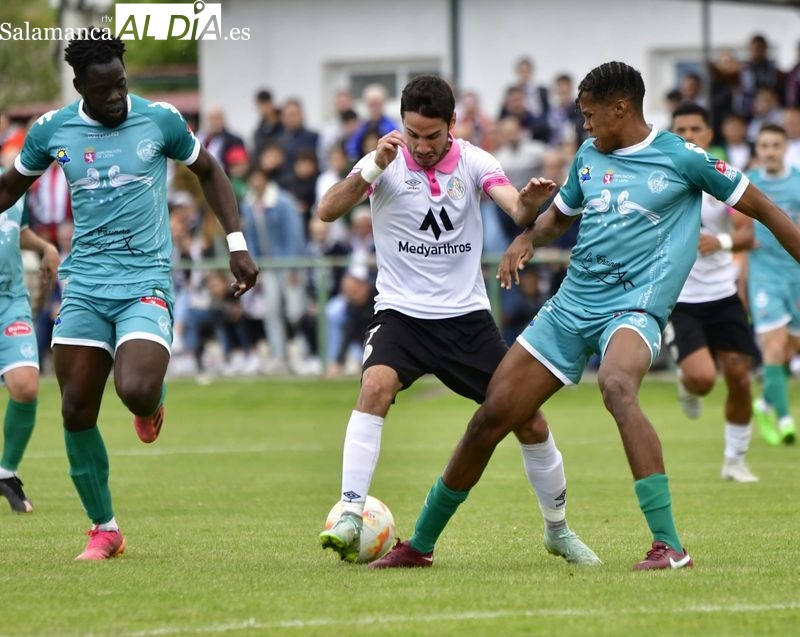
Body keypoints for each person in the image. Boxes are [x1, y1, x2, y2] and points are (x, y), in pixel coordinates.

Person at [369, 61, 800, 572]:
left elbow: (767, 211)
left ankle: (670, 547)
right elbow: (556, 219)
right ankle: (420, 545)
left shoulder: (683, 158)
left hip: (635, 305)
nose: (585, 124)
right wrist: (527, 237)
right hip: (572, 305)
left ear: (622, 108)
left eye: (591, 114)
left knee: (617, 385)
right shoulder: (589, 158)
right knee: (490, 417)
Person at [317, 74, 600, 566]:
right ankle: (350, 512)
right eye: (412, 134)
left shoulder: (474, 160)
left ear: (452, 124)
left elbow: (516, 209)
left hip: (466, 321)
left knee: (529, 420)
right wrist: (371, 170)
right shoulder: (383, 160)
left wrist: (531, 200)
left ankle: (558, 531)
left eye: (432, 135)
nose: (422, 146)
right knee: (374, 388)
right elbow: (326, 211)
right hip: (401, 316)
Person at [0, 29, 258, 559]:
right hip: (86, 283)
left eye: (121, 84)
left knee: (135, 389)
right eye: (104, 90)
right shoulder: (52, 130)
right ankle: (105, 528)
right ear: (79, 86)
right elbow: (9, 188)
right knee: (74, 408)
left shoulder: (159, 119)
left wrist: (236, 242)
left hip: (144, 279)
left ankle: (152, 401)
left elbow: (209, 171)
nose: (117, 96)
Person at [664, 101, 759, 483]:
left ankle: (734, 461)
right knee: (703, 379)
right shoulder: (660, 178)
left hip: (722, 294)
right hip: (680, 298)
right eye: (680, 131)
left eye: (695, 130)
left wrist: (718, 241)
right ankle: (687, 384)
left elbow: (747, 235)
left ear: (708, 135)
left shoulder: (724, 178)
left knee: (739, 375)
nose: (688, 137)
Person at [0, 169, 60, 512]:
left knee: (25, 386)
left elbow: (16, 230)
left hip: (10, 301)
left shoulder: (12, 182)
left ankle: (6, 472)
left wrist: (44, 246)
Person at [747, 123, 800, 446]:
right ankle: (784, 420)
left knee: (789, 349)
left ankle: (766, 401)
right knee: (774, 347)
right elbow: (737, 227)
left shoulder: (797, 183)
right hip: (763, 276)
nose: (769, 151)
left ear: (784, 148)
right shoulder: (748, 185)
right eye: (764, 146)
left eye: (775, 145)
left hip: (795, 275)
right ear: (757, 150)